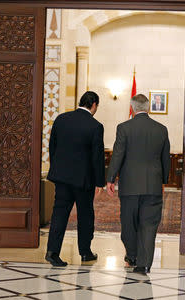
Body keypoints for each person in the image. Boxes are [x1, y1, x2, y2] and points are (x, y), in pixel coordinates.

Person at [106, 94, 170, 275]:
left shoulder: (124, 128)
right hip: (153, 185)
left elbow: (117, 155)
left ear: (132, 108)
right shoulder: (161, 129)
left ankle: (132, 256)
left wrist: (110, 179)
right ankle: (144, 264)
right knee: (149, 225)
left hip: (130, 187)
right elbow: (166, 159)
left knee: (128, 223)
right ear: (148, 108)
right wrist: (163, 181)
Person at [45, 91, 105, 267]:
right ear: (93, 104)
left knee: (59, 214)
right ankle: (85, 252)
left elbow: (52, 147)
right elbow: (97, 157)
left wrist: (57, 168)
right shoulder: (95, 126)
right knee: (85, 216)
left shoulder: (61, 119)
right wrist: (99, 182)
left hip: (62, 177)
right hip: (83, 180)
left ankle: (52, 251)